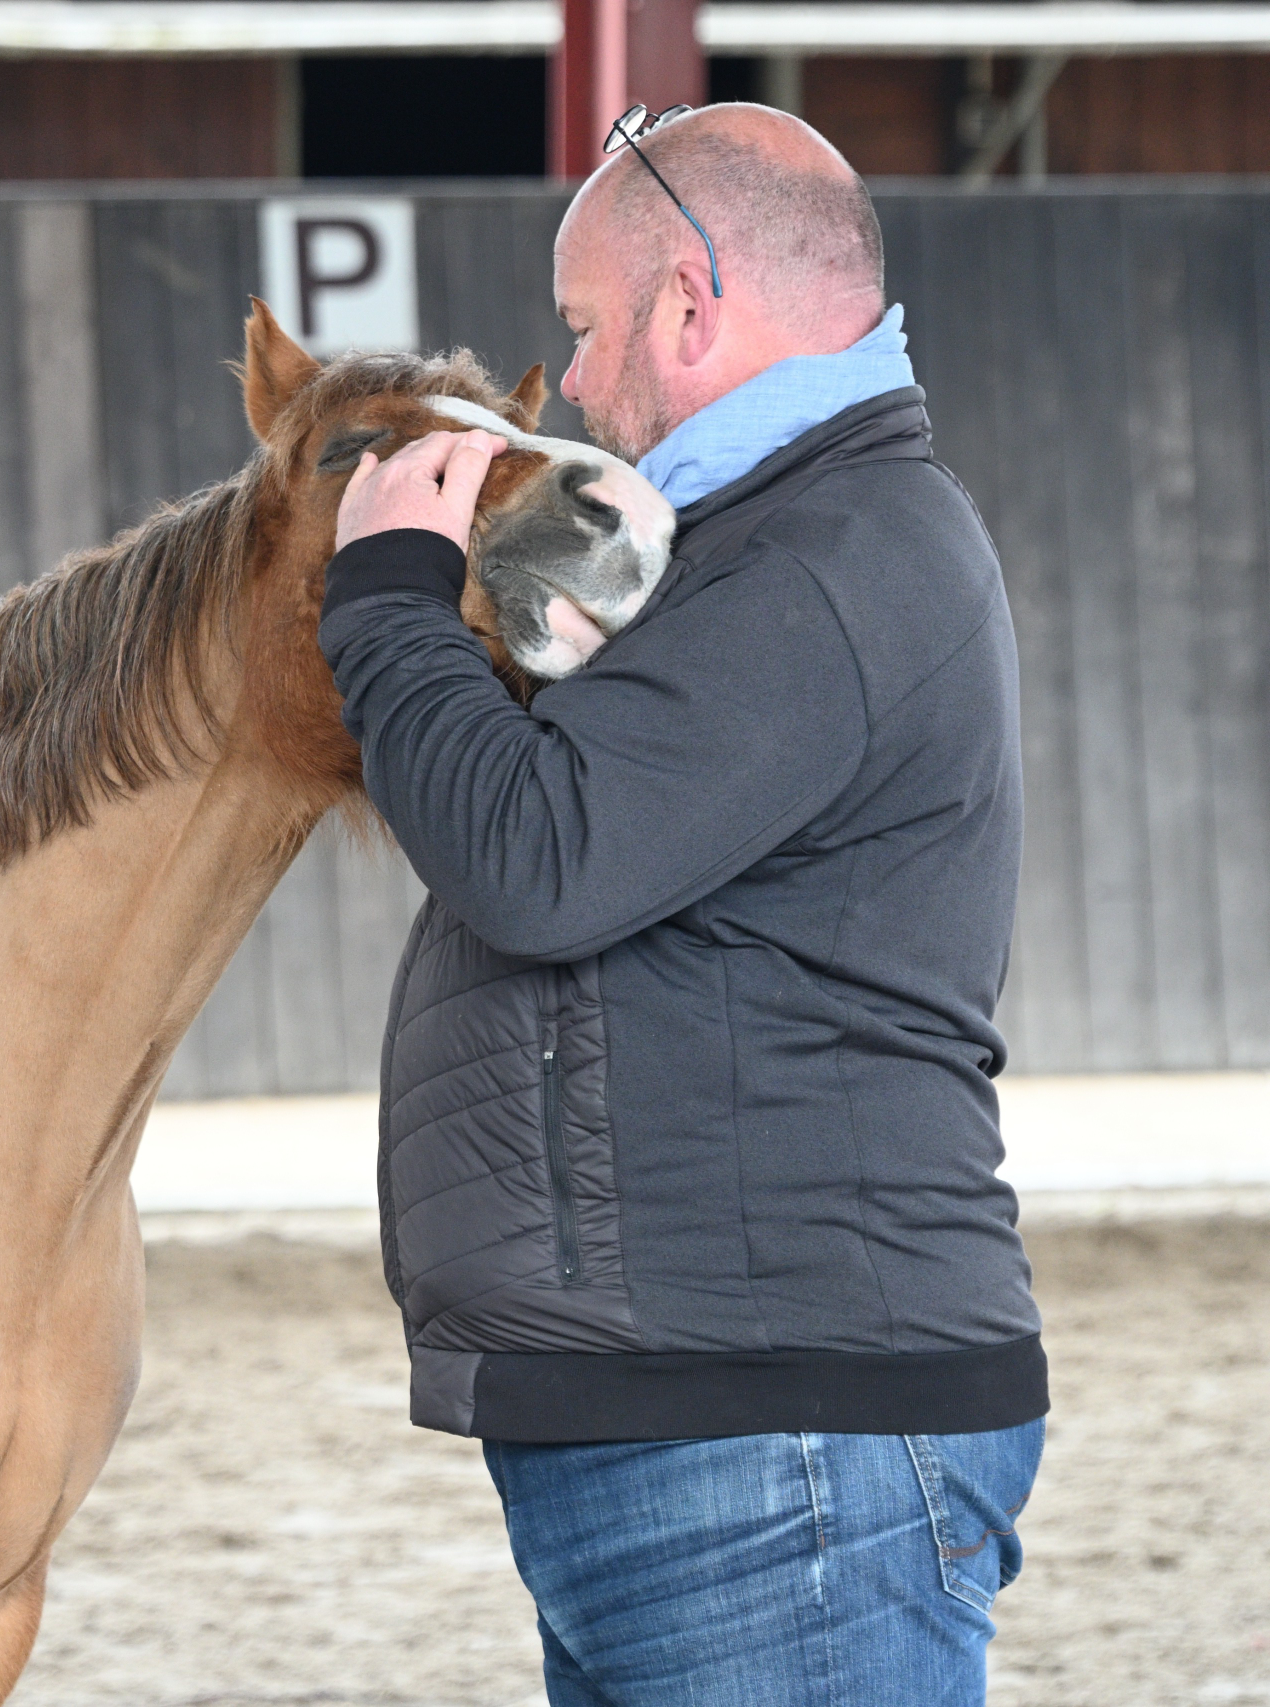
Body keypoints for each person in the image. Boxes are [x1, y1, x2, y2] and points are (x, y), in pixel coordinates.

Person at [316, 103, 1045, 1706]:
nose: (568, 379)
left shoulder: (824, 557)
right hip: (725, 1429)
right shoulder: (770, 544)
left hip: (781, 1449)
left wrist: (386, 594)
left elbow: (537, 856)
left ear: (692, 308)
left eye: (584, 330)